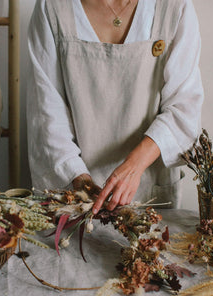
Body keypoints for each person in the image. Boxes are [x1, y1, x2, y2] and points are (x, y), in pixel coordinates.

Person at [26, 0, 203, 215]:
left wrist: (133, 167)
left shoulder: (174, 7)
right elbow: (47, 115)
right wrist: (79, 179)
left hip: (150, 190)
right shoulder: (52, 7)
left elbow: (184, 107)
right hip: (73, 191)